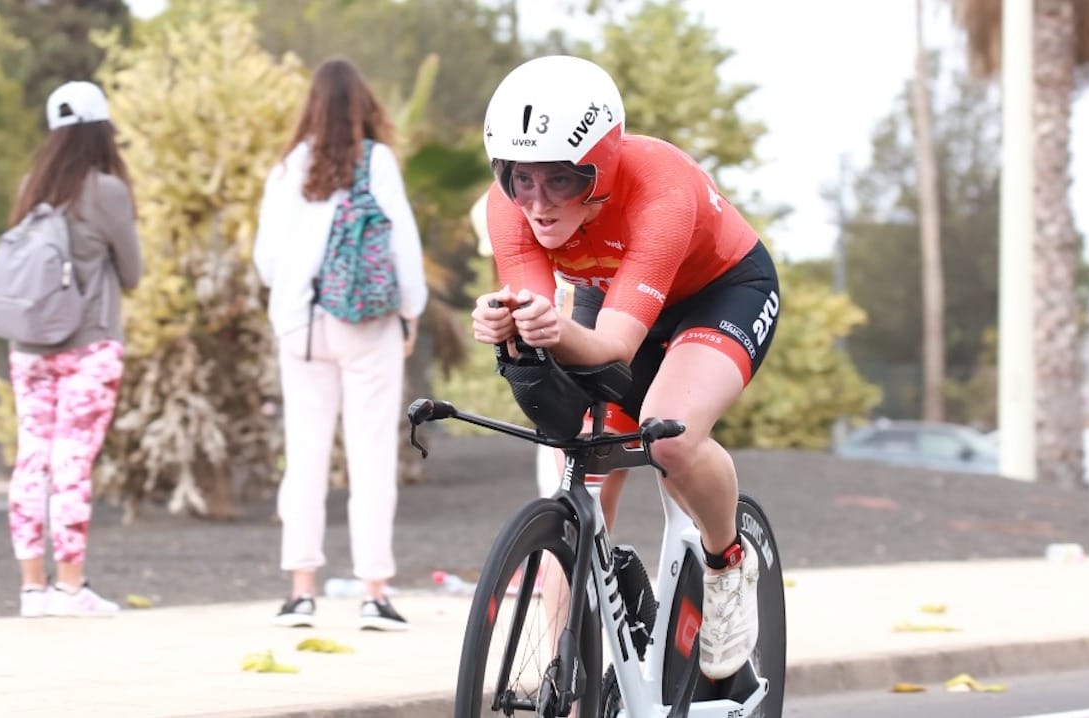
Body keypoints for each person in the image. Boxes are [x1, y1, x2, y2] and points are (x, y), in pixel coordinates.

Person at [472, 55, 781, 680]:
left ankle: (727, 563)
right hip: (611, 291)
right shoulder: (506, 207)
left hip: (719, 293)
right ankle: (567, 664)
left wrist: (551, 328)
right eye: (519, 178)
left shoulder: (660, 189)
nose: (537, 202)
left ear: (603, 167)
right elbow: (537, 313)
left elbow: (611, 343)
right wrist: (506, 325)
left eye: (561, 179)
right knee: (580, 460)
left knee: (668, 435)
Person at [253, 57, 428, 632]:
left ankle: (300, 593)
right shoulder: (376, 162)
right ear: (364, 106)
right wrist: (409, 313)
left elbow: (266, 260)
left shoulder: (287, 169)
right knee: (371, 454)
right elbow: (401, 246)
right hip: (366, 323)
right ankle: (374, 593)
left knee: (302, 456)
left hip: (302, 327)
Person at [7, 80, 143, 618]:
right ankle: (70, 587)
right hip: (89, 345)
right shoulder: (107, 191)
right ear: (103, 129)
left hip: (29, 347)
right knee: (71, 465)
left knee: (31, 461)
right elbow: (131, 273)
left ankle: (31, 591)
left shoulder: (29, 187)